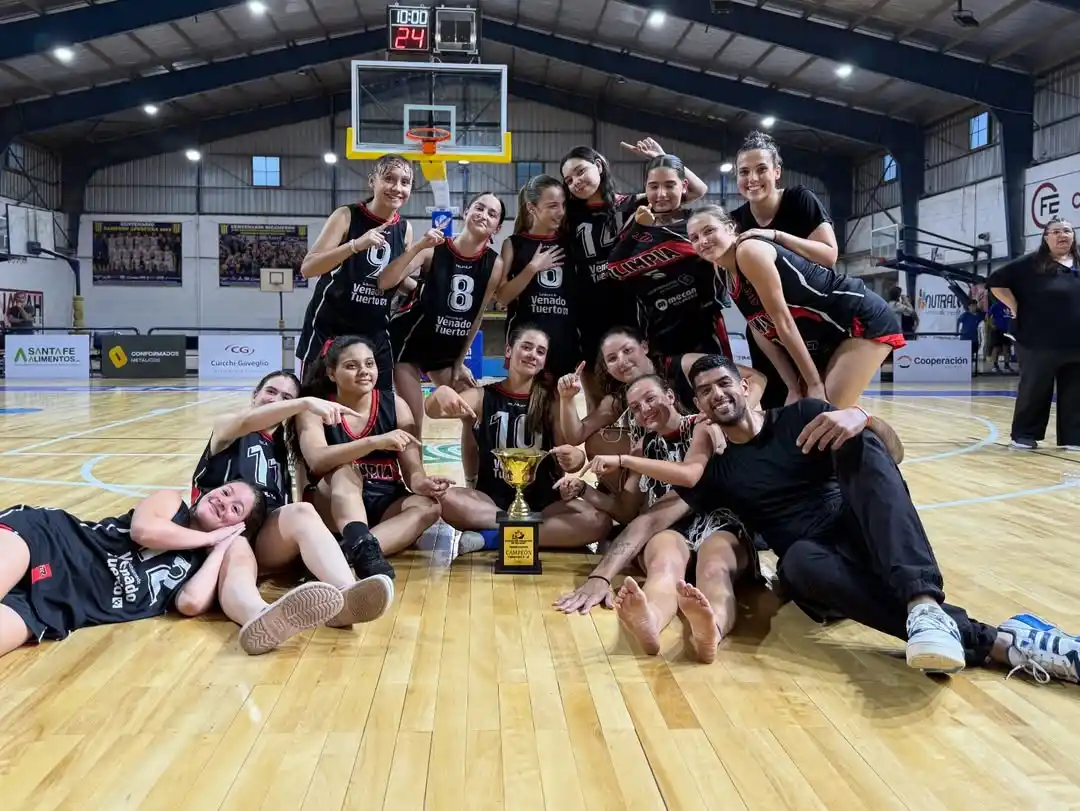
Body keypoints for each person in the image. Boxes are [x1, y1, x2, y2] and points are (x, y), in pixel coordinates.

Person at [556, 354, 1080, 685]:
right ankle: (993, 637)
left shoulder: (803, 418)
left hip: (867, 534)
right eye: (708, 391)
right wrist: (604, 572)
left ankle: (931, 609)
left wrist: (865, 417)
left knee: (857, 440)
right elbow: (652, 520)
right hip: (820, 569)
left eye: (725, 384)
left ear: (743, 385)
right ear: (699, 405)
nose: (719, 395)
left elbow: (889, 459)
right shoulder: (716, 468)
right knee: (800, 561)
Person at [191, 370, 395, 656]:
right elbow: (249, 421)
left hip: (261, 540)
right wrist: (303, 403)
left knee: (301, 511)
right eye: (271, 392)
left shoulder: (280, 449)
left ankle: (346, 597)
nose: (276, 400)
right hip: (217, 533)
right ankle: (257, 616)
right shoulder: (229, 427)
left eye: (287, 397)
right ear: (255, 395)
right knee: (237, 547)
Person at [687, 204, 904, 461]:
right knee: (812, 414)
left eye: (709, 230)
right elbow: (760, 329)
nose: (703, 241)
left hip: (858, 318)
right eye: (694, 237)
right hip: (829, 333)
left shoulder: (749, 251)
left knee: (822, 413)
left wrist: (813, 384)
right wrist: (793, 386)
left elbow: (783, 323)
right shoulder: (721, 270)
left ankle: (876, 433)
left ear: (730, 228)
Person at [565, 374, 757, 663]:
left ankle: (711, 630)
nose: (644, 409)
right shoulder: (643, 448)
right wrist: (584, 490)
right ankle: (650, 621)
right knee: (663, 566)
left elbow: (698, 470)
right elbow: (628, 512)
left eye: (650, 399)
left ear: (670, 395)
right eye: (635, 406)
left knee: (714, 568)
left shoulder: (706, 425)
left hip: (719, 524)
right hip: (670, 530)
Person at [0, 482, 266, 659]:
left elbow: (191, 602)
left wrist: (220, 548)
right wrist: (209, 539)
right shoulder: (171, 503)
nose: (223, 501)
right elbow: (144, 531)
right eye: (226, 491)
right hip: (46, 540)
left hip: (59, 606)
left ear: (237, 527)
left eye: (235, 508)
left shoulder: (200, 566)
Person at [423, 323, 611, 554]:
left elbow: (569, 451)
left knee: (598, 521)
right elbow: (434, 411)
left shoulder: (552, 400)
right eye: (527, 347)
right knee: (443, 498)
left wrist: (577, 457)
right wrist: (439, 394)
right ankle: (534, 534)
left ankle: (494, 538)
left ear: (544, 361)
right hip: (490, 503)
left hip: (545, 506)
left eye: (540, 352)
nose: (533, 355)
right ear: (509, 351)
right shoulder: (483, 396)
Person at [560, 140, 709, 406]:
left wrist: (664, 159)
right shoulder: (568, 215)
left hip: (630, 305)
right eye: (569, 180)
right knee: (597, 381)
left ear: (599, 165)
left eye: (581, 171)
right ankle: (603, 439)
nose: (576, 182)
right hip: (588, 308)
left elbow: (697, 191)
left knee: (639, 377)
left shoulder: (629, 205)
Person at [294, 336, 450, 580]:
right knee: (345, 471)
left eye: (369, 364)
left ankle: (349, 552)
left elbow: (413, 471)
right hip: (333, 505)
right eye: (352, 365)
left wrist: (423, 483)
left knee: (429, 507)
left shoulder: (396, 406)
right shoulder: (315, 409)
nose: (364, 372)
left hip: (385, 502)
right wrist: (375, 441)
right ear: (331, 373)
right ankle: (354, 547)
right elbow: (317, 460)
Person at [555, 325, 764, 492]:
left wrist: (727, 420)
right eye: (612, 358)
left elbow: (756, 378)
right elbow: (577, 435)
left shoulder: (684, 365)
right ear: (607, 368)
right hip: (670, 459)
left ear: (644, 347)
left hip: (710, 452)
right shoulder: (618, 399)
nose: (622, 362)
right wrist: (566, 399)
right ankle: (629, 502)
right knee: (598, 442)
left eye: (628, 350)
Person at [729, 131, 839, 409]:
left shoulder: (800, 200)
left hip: (813, 322)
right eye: (744, 172)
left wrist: (776, 236)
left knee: (823, 408)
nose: (752, 178)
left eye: (761, 169)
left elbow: (829, 255)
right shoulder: (736, 221)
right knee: (777, 409)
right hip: (769, 332)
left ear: (777, 172)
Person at [384, 192, 506, 437]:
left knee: (474, 414)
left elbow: (478, 315)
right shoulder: (434, 248)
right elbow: (388, 280)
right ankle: (415, 477)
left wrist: (460, 363)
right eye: (479, 208)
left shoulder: (495, 264)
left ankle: (473, 477)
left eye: (492, 214)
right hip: (410, 344)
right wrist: (418, 246)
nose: (483, 215)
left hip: (446, 352)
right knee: (413, 422)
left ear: (498, 227)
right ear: (465, 212)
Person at [297, 154, 415, 388]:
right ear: (373, 181)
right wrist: (354, 245)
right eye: (389, 179)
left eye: (405, 182)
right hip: (330, 329)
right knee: (315, 403)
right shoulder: (346, 216)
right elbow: (308, 268)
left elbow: (396, 278)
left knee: (378, 410)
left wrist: (425, 290)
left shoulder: (405, 228)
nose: (397, 187)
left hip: (374, 333)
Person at [608, 155, 732, 360]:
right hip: (656, 334)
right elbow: (613, 269)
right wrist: (640, 227)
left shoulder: (698, 224)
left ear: (684, 186)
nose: (661, 194)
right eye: (653, 186)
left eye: (669, 185)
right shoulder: (634, 225)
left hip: (707, 329)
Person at [989, 216, 1080, 450]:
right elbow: (995, 282)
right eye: (1056, 231)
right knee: (1036, 388)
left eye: (1067, 231)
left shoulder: (1078, 262)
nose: (1063, 235)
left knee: (1075, 391)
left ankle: (1074, 437)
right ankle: (1025, 435)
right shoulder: (1031, 264)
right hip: (1037, 341)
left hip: (1075, 341)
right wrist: (1014, 305)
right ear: (1046, 237)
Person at [496, 175, 579, 379]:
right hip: (526, 341)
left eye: (562, 205)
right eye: (552, 206)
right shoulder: (514, 244)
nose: (560, 212)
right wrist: (532, 268)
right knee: (525, 404)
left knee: (559, 405)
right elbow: (501, 298)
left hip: (564, 339)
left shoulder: (571, 242)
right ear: (532, 207)